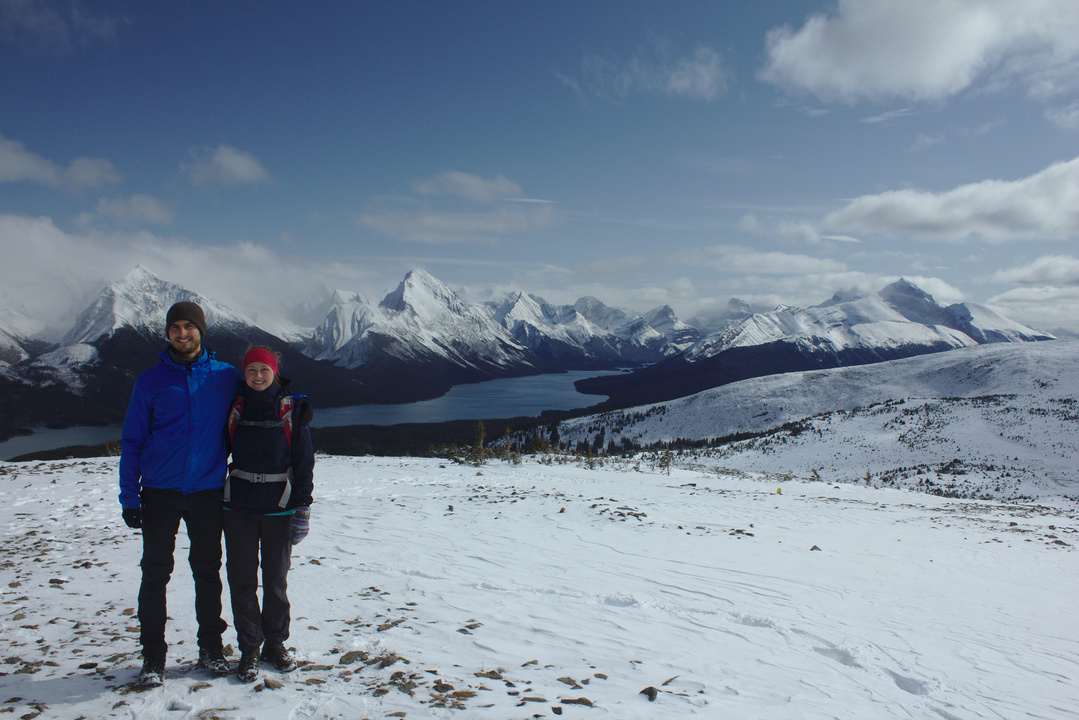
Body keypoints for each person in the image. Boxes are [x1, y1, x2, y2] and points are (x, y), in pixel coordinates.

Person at [118, 301, 242, 687]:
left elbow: (262, 394)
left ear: (201, 331)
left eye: (189, 326)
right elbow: (132, 440)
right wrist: (130, 497)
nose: (182, 333)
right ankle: (153, 658)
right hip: (159, 492)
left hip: (206, 491)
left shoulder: (226, 377)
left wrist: (295, 407)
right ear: (168, 333)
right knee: (155, 574)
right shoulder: (150, 381)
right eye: (175, 327)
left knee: (207, 572)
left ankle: (211, 649)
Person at [224, 346, 314, 683]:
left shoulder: (291, 410)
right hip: (239, 508)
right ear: (243, 374)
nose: (258, 376)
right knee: (242, 581)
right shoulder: (234, 407)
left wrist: (303, 507)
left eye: (264, 370)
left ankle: (275, 643)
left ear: (275, 373)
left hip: (279, 506)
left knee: (275, 580)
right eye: (251, 370)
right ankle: (249, 648)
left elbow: (304, 462)